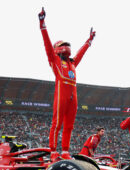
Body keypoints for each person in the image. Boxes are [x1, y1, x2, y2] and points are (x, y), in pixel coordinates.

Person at [38, 7, 95, 161]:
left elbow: (81, 54)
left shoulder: (72, 63)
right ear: (57, 48)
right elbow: (47, 44)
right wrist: (42, 23)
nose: (67, 46)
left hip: (73, 97)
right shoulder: (54, 59)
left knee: (69, 125)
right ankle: (53, 151)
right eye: (63, 44)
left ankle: (65, 151)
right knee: (57, 123)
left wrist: (89, 41)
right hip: (61, 95)